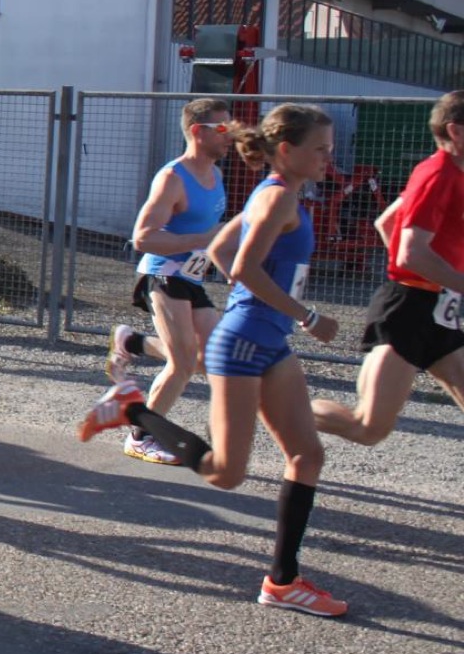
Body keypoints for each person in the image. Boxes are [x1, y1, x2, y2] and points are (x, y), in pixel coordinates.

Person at [79, 104, 347, 617]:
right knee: (226, 473)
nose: (327, 159)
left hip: (268, 340)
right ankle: (133, 409)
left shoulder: (274, 193)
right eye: (320, 149)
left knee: (307, 455)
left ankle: (282, 582)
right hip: (244, 344)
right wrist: (308, 316)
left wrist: (270, 308)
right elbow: (242, 266)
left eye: (329, 150)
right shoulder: (277, 197)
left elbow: (221, 249)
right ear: (287, 150)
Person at [312, 89, 464, 443]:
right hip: (406, 312)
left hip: (439, 310)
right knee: (367, 429)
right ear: (455, 131)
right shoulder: (437, 175)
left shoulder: (452, 173)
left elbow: (387, 223)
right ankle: (274, 404)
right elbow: (410, 254)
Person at [106, 100, 235, 465]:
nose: (230, 136)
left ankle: (131, 341)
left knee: (212, 359)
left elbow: (209, 237)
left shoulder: (216, 175)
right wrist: (204, 239)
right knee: (182, 363)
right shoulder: (172, 178)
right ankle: (140, 436)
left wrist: (229, 267)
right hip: (162, 273)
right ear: (197, 132)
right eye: (222, 129)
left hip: (191, 277)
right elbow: (143, 237)